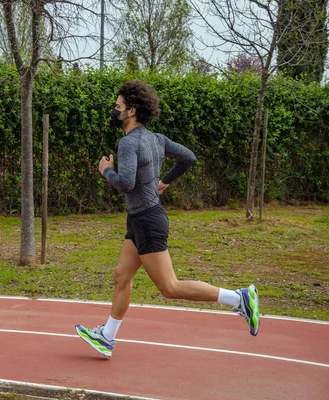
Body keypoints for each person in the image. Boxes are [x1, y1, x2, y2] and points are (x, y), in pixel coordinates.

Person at [75, 80, 260, 358]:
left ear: (132, 111)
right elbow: (188, 158)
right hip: (140, 220)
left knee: (170, 288)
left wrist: (106, 170)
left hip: (147, 221)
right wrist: (164, 181)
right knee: (121, 276)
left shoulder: (128, 143)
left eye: (118, 107)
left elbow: (125, 183)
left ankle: (239, 298)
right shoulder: (157, 139)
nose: (115, 112)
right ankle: (107, 337)